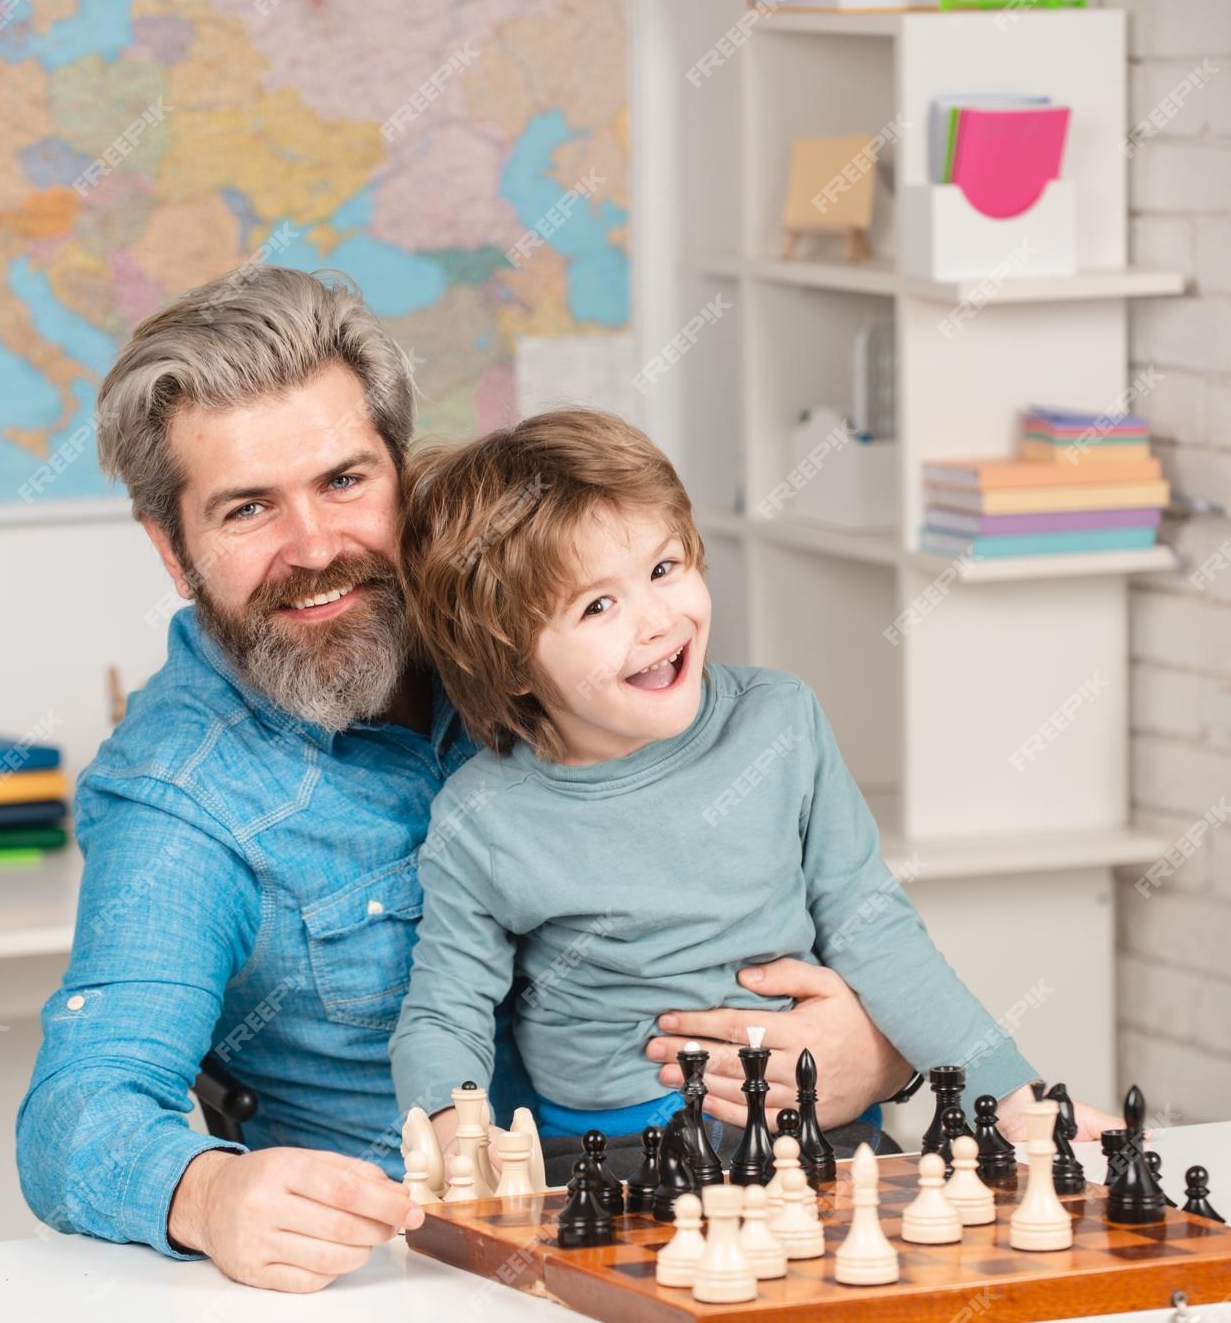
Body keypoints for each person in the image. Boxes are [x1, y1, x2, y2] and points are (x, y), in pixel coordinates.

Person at [15, 266, 919, 1294]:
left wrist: (878, 1047)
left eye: (345, 481)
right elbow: (76, 1114)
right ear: (172, 550)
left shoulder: (547, 633)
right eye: (246, 509)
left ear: (407, 475)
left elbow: (840, 910)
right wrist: (209, 1195)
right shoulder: (179, 798)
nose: (314, 547)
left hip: (757, 1227)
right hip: (443, 1285)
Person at [391, 409, 1096, 1167]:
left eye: (664, 569)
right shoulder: (483, 815)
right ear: (515, 668)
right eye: (598, 605)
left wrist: (1014, 1097)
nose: (658, 619)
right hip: (617, 1157)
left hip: (811, 1127)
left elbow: (873, 926)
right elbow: (446, 1008)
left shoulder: (779, 720)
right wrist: (448, 1125)